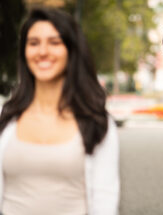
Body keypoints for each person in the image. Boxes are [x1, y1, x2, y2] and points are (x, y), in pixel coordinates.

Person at [0, 8, 119, 215]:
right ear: (24, 52)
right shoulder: (6, 117)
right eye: (34, 43)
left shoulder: (97, 122)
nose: (42, 51)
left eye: (54, 42)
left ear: (71, 50)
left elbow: (105, 201)